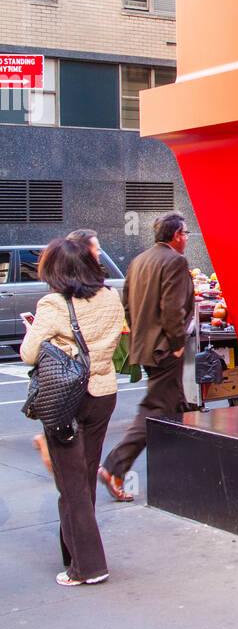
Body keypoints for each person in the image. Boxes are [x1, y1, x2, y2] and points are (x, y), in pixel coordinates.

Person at [20, 237, 124, 586]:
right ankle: (74, 552)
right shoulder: (111, 296)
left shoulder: (53, 304)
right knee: (83, 480)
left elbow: (29, 354)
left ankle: (88, 567)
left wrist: (35, 333)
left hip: (66, 397)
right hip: (103, 393)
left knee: (71, 485)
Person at [99, 211, 194, 500]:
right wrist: (177, 342)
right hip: (166, 348)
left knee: (176, 406)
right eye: (186, 233)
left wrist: (142, 338)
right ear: (176, 235)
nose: (187, 238)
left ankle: (183, 472)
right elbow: (173, 308)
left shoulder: (138, 261)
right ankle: (114, 466)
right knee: (155, 409)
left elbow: (127, 304)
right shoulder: (175, 261)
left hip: (145, 347)